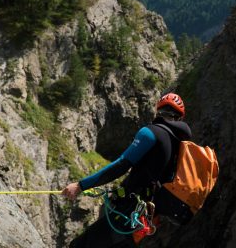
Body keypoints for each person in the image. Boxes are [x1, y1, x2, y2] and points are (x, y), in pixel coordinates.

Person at [62, 93, 192, 248]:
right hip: (147, 221)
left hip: (128, 212)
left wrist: (81, 185)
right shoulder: (181, 146)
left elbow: (121, 165)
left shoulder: (151, 133)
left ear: (159, 111)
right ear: (180, 117)